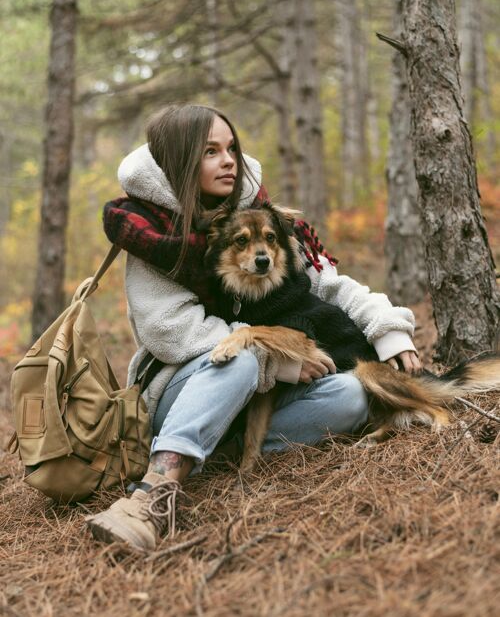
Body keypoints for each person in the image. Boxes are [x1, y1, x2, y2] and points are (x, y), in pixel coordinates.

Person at [85, 103, 421, 550]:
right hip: (185, 389)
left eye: (231, 149)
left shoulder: (264, 217)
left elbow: (329, 284)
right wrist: (274, 362)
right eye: (210, 151)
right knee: (239, 357)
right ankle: (152, 493)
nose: (228, 161)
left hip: (258, 401)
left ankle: (217, 452)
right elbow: (171, 331)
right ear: (182, 161)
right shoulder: (152, 234)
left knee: (355, 394)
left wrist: (387, 327)